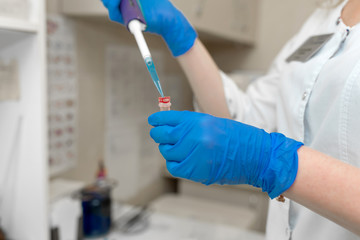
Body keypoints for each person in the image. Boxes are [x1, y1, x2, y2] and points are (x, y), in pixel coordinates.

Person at [102, 0, 360, 238]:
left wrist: (271, 161)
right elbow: (246, 118)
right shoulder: (322, 17)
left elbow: (254, 146)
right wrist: (180, 35)